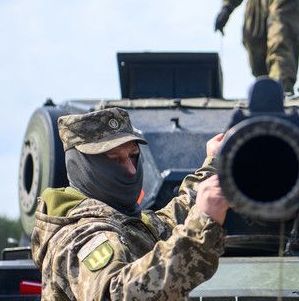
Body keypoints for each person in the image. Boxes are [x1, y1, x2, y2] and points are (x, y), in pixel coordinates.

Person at [30, 107, 230, 300]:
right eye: (115, 159)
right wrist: (201, 228)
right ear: (81, 166)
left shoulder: (126, 222)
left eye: (133, 156)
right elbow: (116, 294)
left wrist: (214, 165)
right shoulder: (82, 236)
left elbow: (171, 220)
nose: (131, 170)